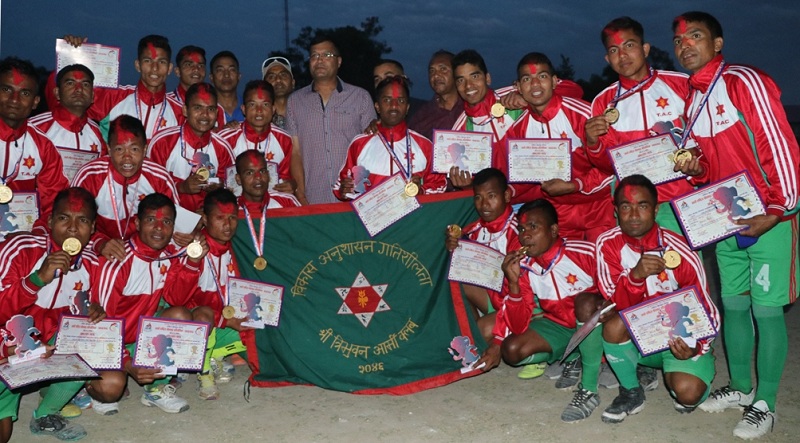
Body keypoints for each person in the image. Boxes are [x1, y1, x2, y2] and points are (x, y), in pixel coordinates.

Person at [672, 11, 800, 439]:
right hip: (725, 222)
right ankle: (742, 387)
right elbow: (713, 168)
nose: (685, 45)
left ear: (718, 43)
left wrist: (778, 209)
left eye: (695, 36)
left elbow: (779, 145)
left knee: (766, 310)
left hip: (768, 217)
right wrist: (697, 170)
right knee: (735, 305)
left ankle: (766, 403)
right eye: (679, 40)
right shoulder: (693, 100)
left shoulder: (743, 81)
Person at [592, 175, 719, 424]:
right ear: (616, 211)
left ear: (656, 209)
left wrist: (697, 346)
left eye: (642, 205)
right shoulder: (607, 244)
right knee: (612, 323)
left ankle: (685, 367)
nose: (634, 215)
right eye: (626, 207)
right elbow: (612, 303)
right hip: (637, 334)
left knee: (688, 394)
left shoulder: (680, 249)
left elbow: (707, 310)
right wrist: (635, 277)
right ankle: (631, 391)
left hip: (677, 338)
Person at [477, 199, 602, 423]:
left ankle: (589, 389)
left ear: (553, 230)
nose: (525, 235)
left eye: (533, 227)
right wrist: (514, 283)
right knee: (512, 349)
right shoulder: (525, 266)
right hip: (560, 326)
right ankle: (574, 356)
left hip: (595, 323)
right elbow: (517, 324)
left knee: (585, 303)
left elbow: (614, 287)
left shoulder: (584, 253)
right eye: (522, 229)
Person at [86, 193, 206, 416]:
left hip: (139, 337)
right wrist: (128, 364)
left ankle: (155, 389)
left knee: (180, 316)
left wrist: (193, 261)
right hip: (104, 340)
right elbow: (100, 325)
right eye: (151, 220)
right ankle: (85, 385)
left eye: (166, 222)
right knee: (111, 387)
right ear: (137, 223)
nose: (159, 228)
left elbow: (176, 299)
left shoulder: (168, 255)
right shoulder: (119, 260)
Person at [0, 187, 103, 441]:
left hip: (51, 342)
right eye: (63, 218)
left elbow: (101, 309)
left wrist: (96, 311)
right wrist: (36, 279)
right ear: (49, 221)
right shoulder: (20, 249)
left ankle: (46, 412)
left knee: (97, 337)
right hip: (9, 344)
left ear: (93, 227)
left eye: (82, 220)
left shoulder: (94, 263)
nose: (72, 228)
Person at [584, 17, 694, 234]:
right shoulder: (603, 102)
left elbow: (703, 140)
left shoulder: (682, 85)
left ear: (645, 49)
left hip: (679, 200)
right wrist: (593, 143)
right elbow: (607, 166)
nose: (622, 55)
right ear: (607, 58)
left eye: (629, 45)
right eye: (614, 50)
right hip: (632, 206)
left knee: (682, 257)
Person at [505, 52, 614, 241]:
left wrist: (574, 185)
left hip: (598, 207)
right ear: (518, 87)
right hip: (558, 213)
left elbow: (610, 168)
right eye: (527, 79)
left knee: (604, 258)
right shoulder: (517, 130)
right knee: (564, 261)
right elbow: (524, 176)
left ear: (555, 81)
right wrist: (508, 191)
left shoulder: (583, 114)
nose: (535, 84)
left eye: (542, 76)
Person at [71, 115, 180, 260]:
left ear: (145, 149)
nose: (127, 157)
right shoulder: (90, 176)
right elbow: (72, 225)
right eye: (119, 149)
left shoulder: (160, 178)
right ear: (109, 149)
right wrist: (98, 243)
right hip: (96, 253)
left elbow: (175, 224)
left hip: (145, 253)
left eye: (134, 149)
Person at [285, 35, 375, 205]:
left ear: (339, 61)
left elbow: (370, 148)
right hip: (313, 199)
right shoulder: (295, 101)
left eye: (327, 55)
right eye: (314, 55)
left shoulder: (360, 97)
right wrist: (301, 196)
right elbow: (295, 152)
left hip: (354, 198)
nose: (319, 60)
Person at [184, 189, 250, 400]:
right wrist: (225, 320)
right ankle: (204, 374)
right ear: (205, 219)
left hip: (225, 318)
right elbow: (180, 300)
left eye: (232, 218)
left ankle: (215, 355)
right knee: (203, 316)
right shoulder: (194, 250)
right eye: (220, 218)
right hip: (196, 323)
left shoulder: (237, 246)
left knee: (264, 316)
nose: (227, 225)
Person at [334, 76, 445, 200]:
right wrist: (343, 190)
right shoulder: (359, 144)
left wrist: (422, 190)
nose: (394, 106)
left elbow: (440, 184)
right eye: (387, 100)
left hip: (413, 213)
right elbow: (340, 185)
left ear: (407, 107)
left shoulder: (425, 145)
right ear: (377, 106)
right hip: (371, 212)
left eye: (400, 100)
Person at [59, 35, 183, 141]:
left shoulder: (179, 112)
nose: (154, 68)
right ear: (138, 65)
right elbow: (66, 106)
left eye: (161, 62)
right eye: (147, 61)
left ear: (169, 68)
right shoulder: (113, 97)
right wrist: (70, 54)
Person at [0, 57, 69, 230]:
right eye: (6, 89)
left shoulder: (43, 146)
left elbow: (53, 203)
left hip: (23, 237)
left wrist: (36, 232)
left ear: (35, 102)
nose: (14, 99)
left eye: (24, 93)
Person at [147, 83, 235, 212]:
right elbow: (149, 185)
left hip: (207, 218)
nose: (205, 115)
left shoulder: (223, 147)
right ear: (185, 110)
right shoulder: (163, 142)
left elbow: (232, 190)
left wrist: (220, 188)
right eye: (197, 108)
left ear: (217, 113)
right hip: (168, 217)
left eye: (210, 109)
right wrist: (181, 187)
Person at [449, 50, 523, 189]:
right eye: (461, 80)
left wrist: (530, 101)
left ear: (487, 78)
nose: (468, 85)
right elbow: (473, 186)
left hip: (534, 197)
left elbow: (566, 91)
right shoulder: (459, 131)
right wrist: (467, 186)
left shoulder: (513, 99)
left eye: (475, 76)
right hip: (497, 201)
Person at [218, 81, 296, 195]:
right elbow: (216, 178)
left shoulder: (284, 140)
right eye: (252, 104)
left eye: (265, 104)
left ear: (273, 109)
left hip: (271, 202)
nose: (259, 111)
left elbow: (286, 177)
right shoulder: (226, 139)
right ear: (243, 109)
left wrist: (291, 184)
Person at [30, 64, 107, 164]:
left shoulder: (97, 132)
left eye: (85, 84)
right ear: (57, 93)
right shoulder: (35, 127)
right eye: (70, 83)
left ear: (92, 96)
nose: (79, 89)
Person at [407, 50, 464, 140]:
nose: (436, 75)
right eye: (432, 71)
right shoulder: (422, 117)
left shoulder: (472, 109)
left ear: (457, 72)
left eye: (443, 69)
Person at [210, 51, 244, 124]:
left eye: (231, 70)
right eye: (220, 70)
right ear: (211, 78)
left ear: (239, 76)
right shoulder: (205, 110)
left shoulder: (250, 107)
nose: (226, 75)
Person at [261, 56, 295, 130]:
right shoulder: (259, 116)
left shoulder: (305, 111)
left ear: (293, 82)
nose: (278, 80)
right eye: (271, 77)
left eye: (283, 75)